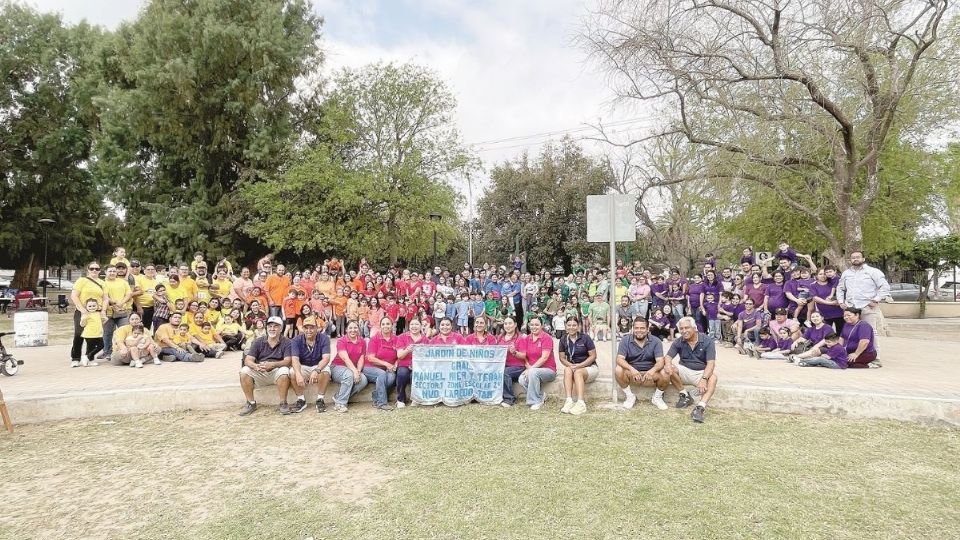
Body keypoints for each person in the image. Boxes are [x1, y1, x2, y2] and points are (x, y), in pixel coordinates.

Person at [836, 250, 890, 359]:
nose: (855, 259)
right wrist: (841, 301)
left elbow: (885, 287)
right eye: (853, 257)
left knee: (871, 331)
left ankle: (875, 357)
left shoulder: (873, 271)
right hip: (851, 307)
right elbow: (840, 288)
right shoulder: (846, 273)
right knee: (849, 331)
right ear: (850, 260)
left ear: (863, 259)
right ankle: (847, 354)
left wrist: (876, 299)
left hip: (867, 306)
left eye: (858, 257)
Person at [664, 317, 718, 423]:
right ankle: (684, 395)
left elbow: (711, 364)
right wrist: (668, 365)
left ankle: (700, 408)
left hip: (700, 372)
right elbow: (668, 357)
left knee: (713, 378)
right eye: (681, 328)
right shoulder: (679, 341)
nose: (684, 331)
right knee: (669, 369)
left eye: (687, 328)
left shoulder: (707, 341)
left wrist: (704, 379)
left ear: (694, 328)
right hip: (684, 370)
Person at [238, 316, 293, 416]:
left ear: (281, 329)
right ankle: (251, 403)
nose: (272, 329)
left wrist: (273, 364)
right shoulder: (258, 341)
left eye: (275, 326)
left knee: (285, 370)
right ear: (266, 328)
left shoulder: (287, 342)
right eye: (270, 326)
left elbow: (288, 361)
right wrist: (255, 366)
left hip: (276, 371)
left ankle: (283, 403)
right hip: (260, 370)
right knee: (244, 371)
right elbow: (248, 360)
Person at [615, 317, 669, 410]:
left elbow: (660, 361)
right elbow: (619, 359)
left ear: (647, 329)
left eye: (642, 328)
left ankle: (657, 397)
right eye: (636, 328)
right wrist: (632, 370)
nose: (639, 330)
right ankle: (630, 396)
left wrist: (652, 371)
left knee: (665, 372)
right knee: (618, 369)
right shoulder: (625, 340)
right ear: (633, 329)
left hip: (651, 374)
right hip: (632, 373)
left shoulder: (656, 341)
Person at [289, 316, 332, 414]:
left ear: (317, 328)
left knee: (326, 371)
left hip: (318, 364)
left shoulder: (324, 338)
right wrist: (298, 374)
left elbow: (326, 358)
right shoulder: (296, 340)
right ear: (303, 329)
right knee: (292, 372)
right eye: (306, 328)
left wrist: (317, 370)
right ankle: (301, 400)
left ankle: (320, 399)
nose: (309, 330)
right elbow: (295, 359)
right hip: (303, 365)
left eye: (312, 327)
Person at [70, 261, 109, 366]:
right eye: (92, 268)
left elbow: (105, 298)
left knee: (93, 335)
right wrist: (83, 310)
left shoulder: (102, 283)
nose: (94, 271)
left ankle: (89, 357)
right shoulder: (82, 280)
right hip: (82, 311)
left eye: (97, 269)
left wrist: (103, 311)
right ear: (88, 270)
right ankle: (75, 358)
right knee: (79, 334)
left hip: (96, 312)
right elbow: (74, 296)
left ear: (100, 271)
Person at [513, 318, 556, 410]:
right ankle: (541, 395)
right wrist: (528, 366)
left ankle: (535, 401)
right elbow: (525, 356)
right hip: (532, 368)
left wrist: (531, 369)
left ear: (542, 325)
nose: (534, 327)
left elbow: (544, 357)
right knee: (521, 379)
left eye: (537, 325)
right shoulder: (527, 338)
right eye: (532, 325)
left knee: (533, 373)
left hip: (548, 370)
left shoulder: (546, 338)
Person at [557, 317, 597, 415]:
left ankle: (581, 403)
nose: (572, 327)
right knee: (567, 369)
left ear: (578, 326)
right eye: (569, 325)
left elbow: (593, 356)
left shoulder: (585, 338)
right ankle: (569, 401)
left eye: (574, 325)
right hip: (573, 368)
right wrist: (571, 365)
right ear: (566, 326)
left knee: (578, 372)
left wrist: (580, 365)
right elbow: (562, 358)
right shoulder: (563, 339)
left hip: (589, 368)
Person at [331, 320, 369, 413]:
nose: (353, 330)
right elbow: (345, 358)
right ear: (346, 330)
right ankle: (340, 404)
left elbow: (361, 357)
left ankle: (338, 396)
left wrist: (359, 371)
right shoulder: (341, 340)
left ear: (358, 329)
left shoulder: (362, 341)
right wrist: (355, 372)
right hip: (337, 367)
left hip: (353, 369)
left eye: (355, 327)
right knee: (349, 374)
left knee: (363, 380)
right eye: (350, 328)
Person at [365, 317, 400, 411]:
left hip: (388, 368)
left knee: (392, 377)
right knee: (382, 374)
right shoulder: (374, 339)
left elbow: (399, 356)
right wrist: (387, 364)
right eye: (383, 324)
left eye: (388, 324)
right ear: (380, 326)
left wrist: (396, 364)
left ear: (392, 326)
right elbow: (370, 358)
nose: (386, 326)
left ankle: (376, 396)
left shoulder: (396, 339)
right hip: (370, 367)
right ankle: (382, 403)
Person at [395, 318, 427, 408]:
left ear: (420, 326)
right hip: (404, 364)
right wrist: (407, 350)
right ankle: (400, 399)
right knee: (402, 374)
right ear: (409, 326)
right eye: (412, 324)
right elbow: (399, 356)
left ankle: (416, 399)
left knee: (415, 375)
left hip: (419, 366)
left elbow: (427, 357)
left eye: (416, 324)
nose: (414, 326)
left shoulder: (425, 339)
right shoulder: (402, 337)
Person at [77, 298, 104, 367]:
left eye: (94, 306)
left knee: (101, 345)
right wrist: (83, 319)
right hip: (89, 334)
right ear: (86, 307)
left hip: (98, 334)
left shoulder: (98, 313)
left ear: (97, 306)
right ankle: (89, 359)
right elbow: (82, 325)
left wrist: (105, 320)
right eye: (90, 306)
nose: (92, 307)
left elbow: (101, 323)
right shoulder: (86, 314)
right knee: (90, 347)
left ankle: (87, 357)